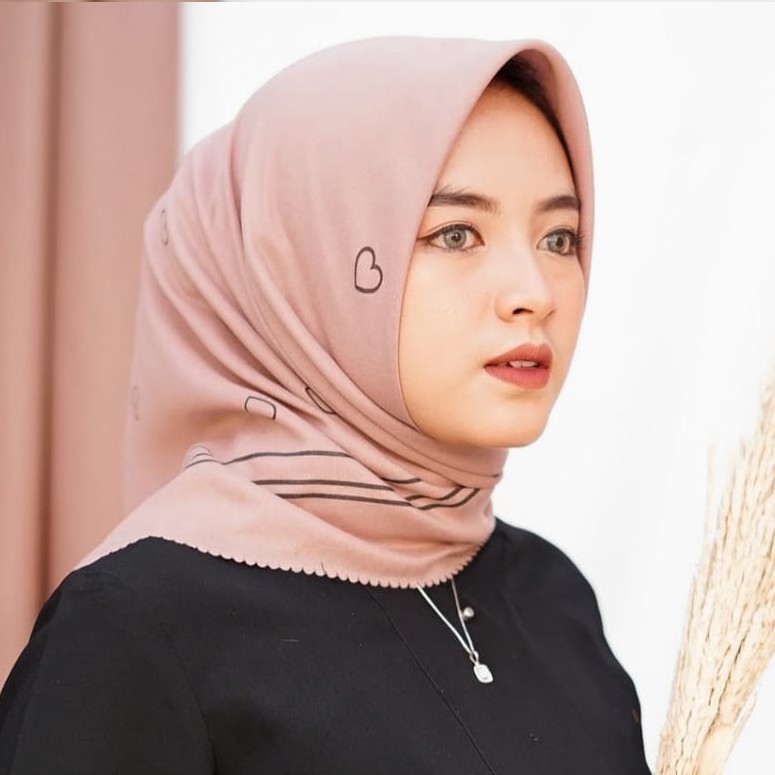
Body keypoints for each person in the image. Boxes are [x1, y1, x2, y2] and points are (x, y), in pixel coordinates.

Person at [0, 36, 652, 774]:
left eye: (558, 237)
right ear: (294, 266)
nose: (533, 292)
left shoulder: (553, 598)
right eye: (455, 233)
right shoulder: (138, 626)